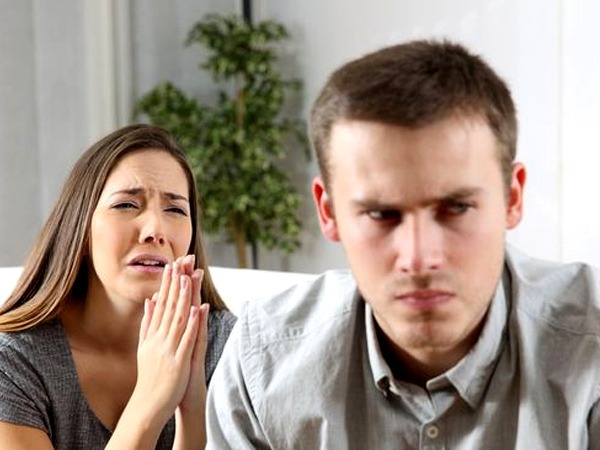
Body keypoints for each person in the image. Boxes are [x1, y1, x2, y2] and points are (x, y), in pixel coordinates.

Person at [205, 39, 600, 449]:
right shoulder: (262, 364)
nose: (419, 257)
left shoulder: (591, 351)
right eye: (381, 214)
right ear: (328, 211)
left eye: (457, 207)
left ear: (512, 199)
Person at [0, 124, 236, 449]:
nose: (155, 229)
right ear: (80, 228)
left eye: (175, 209)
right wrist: (150, 400)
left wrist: (194, 409)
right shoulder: (12, 366)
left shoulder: (231, 348)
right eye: (126, 205)